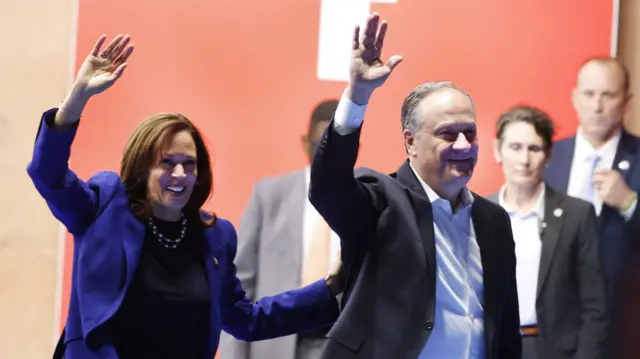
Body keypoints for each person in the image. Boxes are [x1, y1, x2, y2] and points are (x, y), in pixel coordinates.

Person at [27, 34, 342, 359]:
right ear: (142, 167)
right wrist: (77, 98)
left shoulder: (214, 237)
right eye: (167, 162)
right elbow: (48, 176)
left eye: (189, 164)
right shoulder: (104, 206)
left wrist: (331, 289)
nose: (179, 175)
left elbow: (247, 319)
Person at [308, 13, 521, 359]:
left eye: (471, 133)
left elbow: (504, 327)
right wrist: (357, 96)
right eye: (448, 135)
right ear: (411, 142)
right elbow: (328, 187)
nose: (465, 145)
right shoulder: (380, 201)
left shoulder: (494, 220)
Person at [220, 99, 340, 359]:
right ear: (305, 142)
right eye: (320, 142)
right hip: (276, 343)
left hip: (341, 342)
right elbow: (240, 285)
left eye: (339, 144)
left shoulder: (369, 198)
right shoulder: (269, 196)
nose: (327, 152)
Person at [486, 106, 609, 359]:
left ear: (548, 154)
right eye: (515, 147)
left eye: (534, 148)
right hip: (495, 348)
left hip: (557, 350)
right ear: (498, 150)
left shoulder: (577, 215)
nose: (524, 160)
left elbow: (594, 306)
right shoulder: (479, 214)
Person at [544, 57, 640, 308]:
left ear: (626, 101)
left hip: (623, 316)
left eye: (608, 95)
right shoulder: (547, 157)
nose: (597, 106)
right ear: (575, 97)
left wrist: (629, 202)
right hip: (555, 315)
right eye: (589, 94)